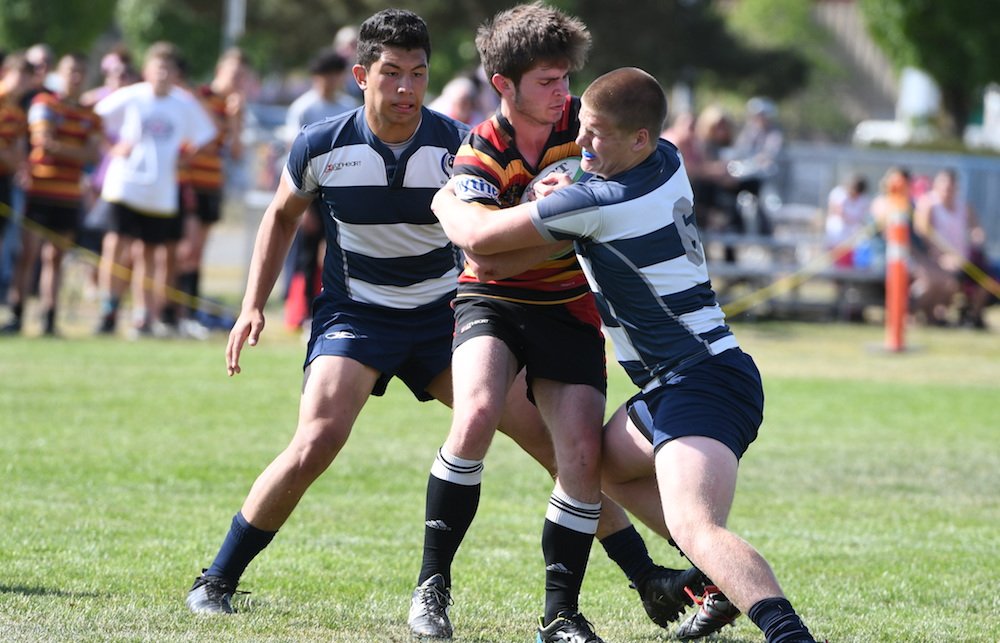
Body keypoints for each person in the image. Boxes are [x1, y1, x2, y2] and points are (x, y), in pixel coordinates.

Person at [431, 66, 823, 643]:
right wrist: (559, 190)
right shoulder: (665, 159)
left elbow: (483, 246)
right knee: (597, 464)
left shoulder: (601, 199)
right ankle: (719, 580)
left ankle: (789, 635)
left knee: (695, 524)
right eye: (581, 129)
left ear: (637, 137)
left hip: (702, 379)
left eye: (595, 134)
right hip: (679, 382)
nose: (581, 145)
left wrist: (446, 198)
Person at [408, 5, 702, 642]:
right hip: (491, 302)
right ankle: (432, 587)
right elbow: (481, 253)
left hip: (569, 309)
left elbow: (614, 203)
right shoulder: (483, 147)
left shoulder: (592, 130)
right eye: (548, 81)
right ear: (504, 85)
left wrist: (560, 230)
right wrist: (564, 233)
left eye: (567, 79)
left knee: (579, 454)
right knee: (478, 409)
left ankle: (559, 617)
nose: (564, 94)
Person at [93, 42, 216, 337]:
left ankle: (142, 315)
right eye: (158, 67)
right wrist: (111, 147)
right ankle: (108, 310)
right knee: (115, 245)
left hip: (160, 191)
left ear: (175, 73)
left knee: (148, 253)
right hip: (125, 184)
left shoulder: (183, 103)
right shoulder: (132, 96)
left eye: (168, 68)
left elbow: (208, 134)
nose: (162, 74)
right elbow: (94, 117)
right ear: (147, 71)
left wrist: (185, 158)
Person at [1, 53, 102, 336]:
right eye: (70, 71)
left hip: (68, 193)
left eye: (81, 71)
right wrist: (74, 151)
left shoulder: (89, 115)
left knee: (55, 258)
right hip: (40, 189)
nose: (76, 77)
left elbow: (94, 153)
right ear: (60, 73)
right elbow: (42, 143)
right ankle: (17, 313)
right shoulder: (43, 103)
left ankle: (49, 317)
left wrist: (62, 148)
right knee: (28, 254)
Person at [173, 47, 251, 339]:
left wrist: (235, 120)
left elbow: (235, 151)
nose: (237, 80)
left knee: (198, 252)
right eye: (234, 73)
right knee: (187, 249)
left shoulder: (233, 105)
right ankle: (175, 311)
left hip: (212, 182)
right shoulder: (199, 96)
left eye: (242, 76)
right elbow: (196, 136)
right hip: (190, 181)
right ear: (220, 70)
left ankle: (189, 314)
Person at [281, 47, 359, 331]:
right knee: (305, 253)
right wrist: (303, 204)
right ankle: (301, 312)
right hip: (309, 192)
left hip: (339, 192)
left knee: (339, 254)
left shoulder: (348, 107)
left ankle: (338, 308)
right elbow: (294, 153)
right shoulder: (304, 107)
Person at [912, 168, 990, 328]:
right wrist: (941, 256)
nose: (948, 191)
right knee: (947, 284)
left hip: (962, 260)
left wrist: (977, 235)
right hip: (936, 260)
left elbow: (975, 227)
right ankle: (926, 315)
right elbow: (923, 234)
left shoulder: (964, 206)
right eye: (945, 187)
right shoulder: (929, 204)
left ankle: (972, 318)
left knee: (984, 284)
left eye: (952, 188)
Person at [0, 53, 32, 257]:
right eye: (19, 74)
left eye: (27, 77)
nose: (23, 82)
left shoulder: (19, 114)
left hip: (4, 180)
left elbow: (18, 154)